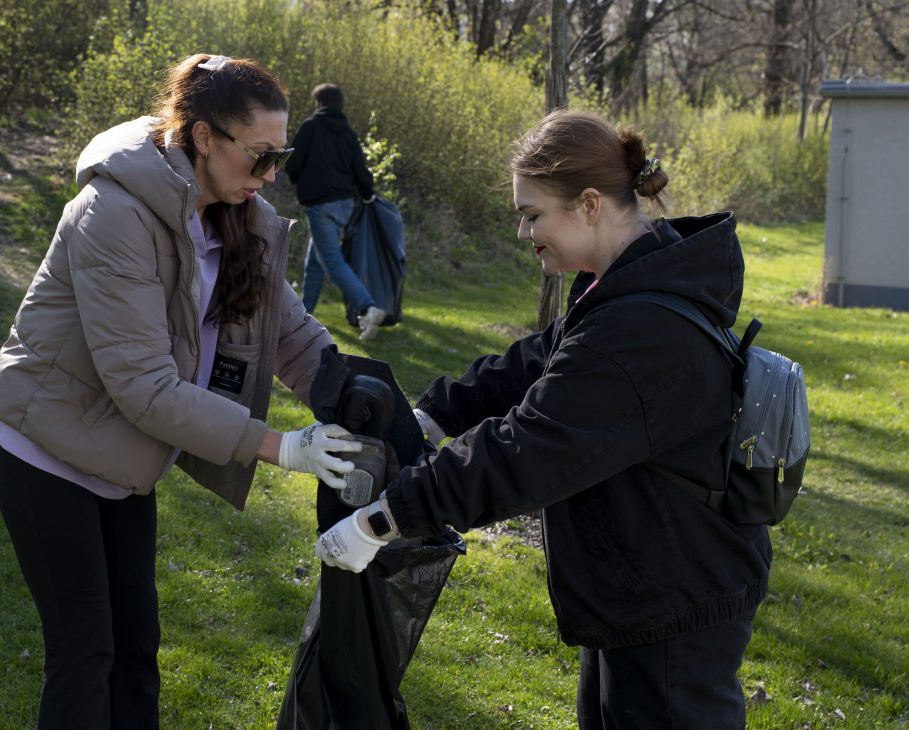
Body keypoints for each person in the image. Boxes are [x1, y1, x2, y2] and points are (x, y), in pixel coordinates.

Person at [314, 110, 772, 728]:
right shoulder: (633, 285)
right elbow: (540, 358)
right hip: (642, 583)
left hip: (674, 601)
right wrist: (434, 415)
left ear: (589, 205)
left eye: (533, 215)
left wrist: (385, 517)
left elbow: (526, 451)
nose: (523, 231)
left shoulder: (640, 328)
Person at [0, 53, 362, 729]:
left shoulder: (236, 212)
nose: (272, 175)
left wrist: (365, 403)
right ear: (205, 137)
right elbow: (144, 386)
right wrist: (282, 447)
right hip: (46, 451)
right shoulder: (114, 213)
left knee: (136, 652)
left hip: (123, 459)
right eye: (261, 156)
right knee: (85, 654)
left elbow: (291, 333)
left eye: (282, 156)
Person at [284, 83, 385, 340]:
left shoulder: (310, 126)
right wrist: (367, 194)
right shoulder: (349, 133)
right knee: (315, 259)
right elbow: (360, 170)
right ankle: (304, 313)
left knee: (331, 260)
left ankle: (367, 307)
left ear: (319, 103)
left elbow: (292, 164)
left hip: (321, 204)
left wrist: (300, 180)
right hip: (345, 205)